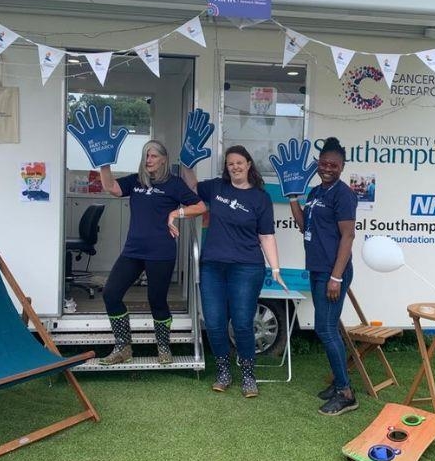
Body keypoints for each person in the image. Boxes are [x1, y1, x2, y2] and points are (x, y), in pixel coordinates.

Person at [182, 145, 286, 397]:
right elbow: (191, 186)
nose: (235, 167)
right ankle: (223, 372)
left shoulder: (260, 198)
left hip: (247, 268)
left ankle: (249, 376)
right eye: (230, 163)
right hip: (213, 267)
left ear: (249, 164)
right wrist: (187, 159)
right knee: (215, 323)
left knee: (241, 323)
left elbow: (266, 236)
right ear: (226, 167)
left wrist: (275, 268)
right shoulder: (217, 187)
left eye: (239, 162)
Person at [98, 140, 207, 365]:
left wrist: (176, 214)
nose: (148, 160)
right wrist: (103, 164)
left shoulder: (174, 184)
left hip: (161, 252)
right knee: (111, 293)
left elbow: (200, 206)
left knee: (156, 300)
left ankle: (164, 347)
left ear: (164, 159)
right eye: (146, 155)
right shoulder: (136, 181)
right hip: (133, 250)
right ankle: (123, 347)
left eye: (153, 156)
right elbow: (111, 188)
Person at [287, 137, 359, 415]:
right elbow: (304, 225)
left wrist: (337, 277)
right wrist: (293, 197)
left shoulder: (343, 194)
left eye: (334, 165)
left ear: (341, 167)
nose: (328, 168)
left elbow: (348, 235)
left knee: (326, 330)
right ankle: (340, 382)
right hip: (318, 269)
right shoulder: (317, 193)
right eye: (324, 163)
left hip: (332, 273)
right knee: (326, 329)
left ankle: (345, 392)